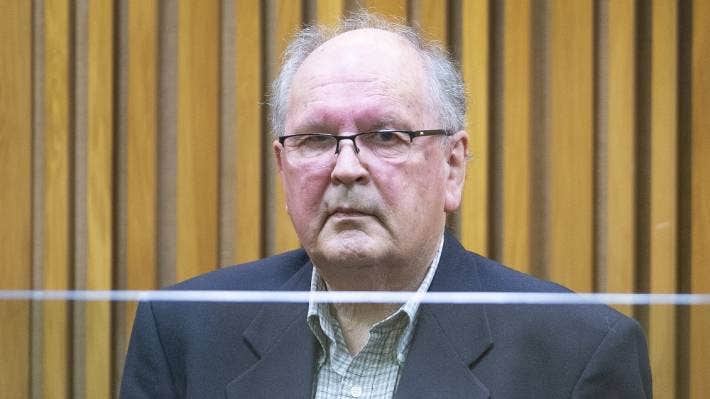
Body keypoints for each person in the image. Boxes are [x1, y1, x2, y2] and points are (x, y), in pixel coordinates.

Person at [120, 12, 651, 398]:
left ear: (452, 166)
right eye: (316, 140)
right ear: (283, 167)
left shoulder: (578, 354)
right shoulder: (182, 331)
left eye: (386, 136)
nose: (345, 167)